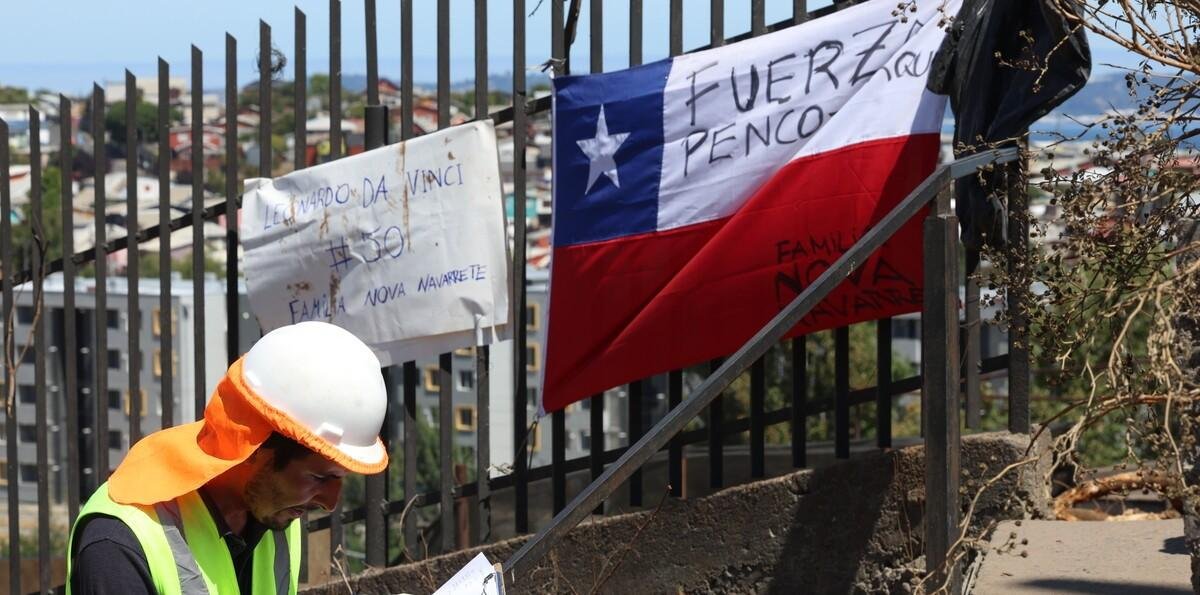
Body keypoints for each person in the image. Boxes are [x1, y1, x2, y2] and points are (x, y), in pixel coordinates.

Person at [67, 321, 390, 595]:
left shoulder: (275, 509)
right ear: (253, 446)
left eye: (338, 479)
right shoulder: (118, 543)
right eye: (319, 477)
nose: (330, 503)